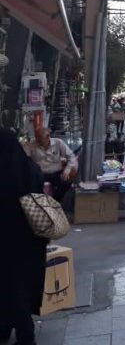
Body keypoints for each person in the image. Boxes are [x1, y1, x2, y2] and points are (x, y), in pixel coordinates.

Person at [0, 129, 47, 345]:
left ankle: (23, 334)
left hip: (7, 240)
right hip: (29, 238)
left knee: (10, 287)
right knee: (20, 285)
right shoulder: (29, 170)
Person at [24, 126, 78, 202]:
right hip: (39, 173)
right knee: (30, 185)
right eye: (36, 137)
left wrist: (67, 170)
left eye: (40, 137)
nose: (37, 139)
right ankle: (39, 204)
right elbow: (24, 159)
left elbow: (71, 157)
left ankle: (55, 201)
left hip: (56, 172)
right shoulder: (31, 145)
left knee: (66, 182)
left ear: (48, 136)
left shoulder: (58, 143)